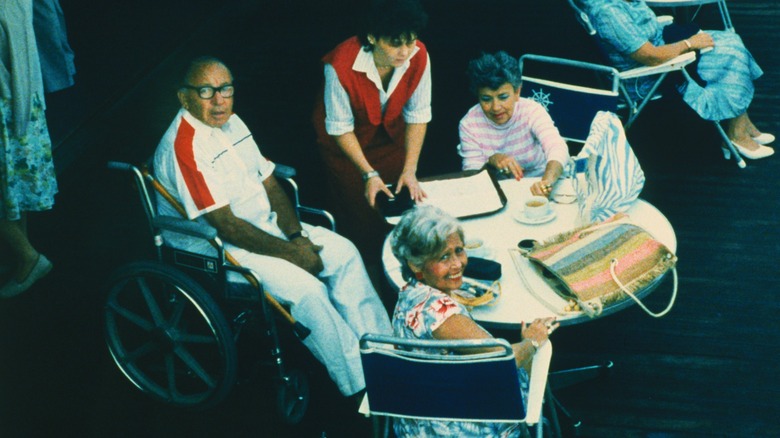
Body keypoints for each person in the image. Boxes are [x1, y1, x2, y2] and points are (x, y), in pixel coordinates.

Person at [153, 57, 392, 398]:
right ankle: (361, 383)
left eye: (226, 89)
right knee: (309, 292)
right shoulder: (185, 145)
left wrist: (296, 236)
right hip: (223, 249)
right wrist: (293, 255)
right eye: (206, 91)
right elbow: (226, 225)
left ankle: (385, 353)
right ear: (184, 97)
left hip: (267, 229)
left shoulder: (232, 123)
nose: (219, 100)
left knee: (345, 254)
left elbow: (269, 183)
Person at [389, 205, 558, 437]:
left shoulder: (409, 295)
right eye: (443, 257)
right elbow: (504, 361)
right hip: (461, 425)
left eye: (459, 250)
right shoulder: (442, 314)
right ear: (416, 264)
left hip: (419, 417)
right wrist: (532, 341)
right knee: (535, 357)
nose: (457, 264)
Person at [313, 0, 432, 262]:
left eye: (410, 41)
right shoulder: (339, 64)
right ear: (372, 37)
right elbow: (340, 128)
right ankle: (370, 273)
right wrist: (369, 173)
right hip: (345, 147)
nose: (405, 51)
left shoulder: (419, 54)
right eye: (395, 43)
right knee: (362, 215)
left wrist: (410, 169)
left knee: (402, 205)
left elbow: (418, 114)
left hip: (390, 141)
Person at [581, 0, 774, 159]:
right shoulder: (609, 12)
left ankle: (741, 124)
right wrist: (689, 43)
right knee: (730, 57)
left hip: (666, 45)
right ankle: (736, 134)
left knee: (731, 41)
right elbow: (650, 56)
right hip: (651, 73)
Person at [0, 0, 58, 298]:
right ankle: (20, 258)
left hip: (9, 106)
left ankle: (27, 257)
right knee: (14, 191)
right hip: (20, 106)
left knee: (9, 190)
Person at [458, 51, 569, 198]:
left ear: (517, 92)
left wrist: (546, 182)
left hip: (541, 184)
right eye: (486, 99)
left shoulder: (531, 110)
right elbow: (471, 178)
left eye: (503, 97)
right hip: (500, 194)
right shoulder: (469, 124)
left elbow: (557, 147)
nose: (496, 107)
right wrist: (492, 162)